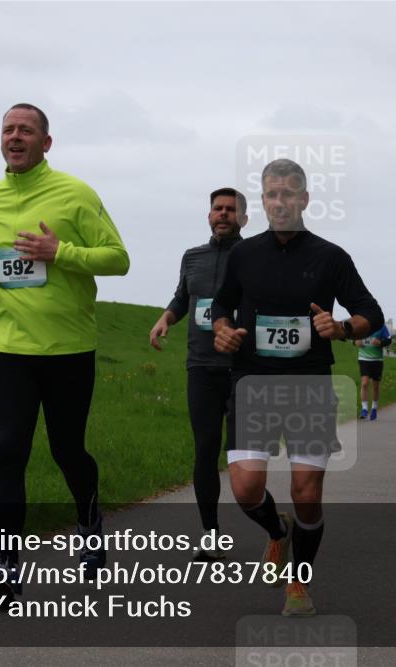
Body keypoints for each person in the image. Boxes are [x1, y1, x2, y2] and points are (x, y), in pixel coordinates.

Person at [0, 103, 129, 606]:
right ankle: (8, 564)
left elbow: (118, 258)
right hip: (7, 346)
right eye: (8, 130)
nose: (15, 137)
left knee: (66, 450)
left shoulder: (75, 194)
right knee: (8, 449)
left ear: (45, 143)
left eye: (26, 130)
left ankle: (89, 520)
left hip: (68, 347)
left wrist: (62, 254)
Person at [212, 159, 383, 616]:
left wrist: (342, 328)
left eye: (289, 194)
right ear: (263, 201)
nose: (280, 202)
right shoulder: (244, 255)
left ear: (305, 199)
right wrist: (222, 330)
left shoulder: (329, 256)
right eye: (272, 195)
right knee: (247, 488)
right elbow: (221, 307)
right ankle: (276, 530)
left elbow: (373, 314)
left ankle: (299, 584)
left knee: (307, 493)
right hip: (252, 382)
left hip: (308, 384)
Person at [148, 187, 247, 560]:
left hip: (242, 371)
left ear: (243, 218)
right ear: (208, 216)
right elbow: (182, 297)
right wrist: (166, 319)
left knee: (242, 459)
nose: (223, 214)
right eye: (217, 209)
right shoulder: (193, 257)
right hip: (202, 367)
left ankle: (270, 523)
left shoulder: (254, 256)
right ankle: (211, 534)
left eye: (230, 209)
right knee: (204, 451)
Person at [355, 324, 391, 420]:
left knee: (375, 386)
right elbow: (354, 338)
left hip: (377, 360)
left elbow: (389, 340)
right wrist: (356, 342)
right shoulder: (361, 324)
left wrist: (380, 343)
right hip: (363, 359)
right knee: (365, 383)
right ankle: (365, 409)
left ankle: (374, 408)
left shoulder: (381, 326)